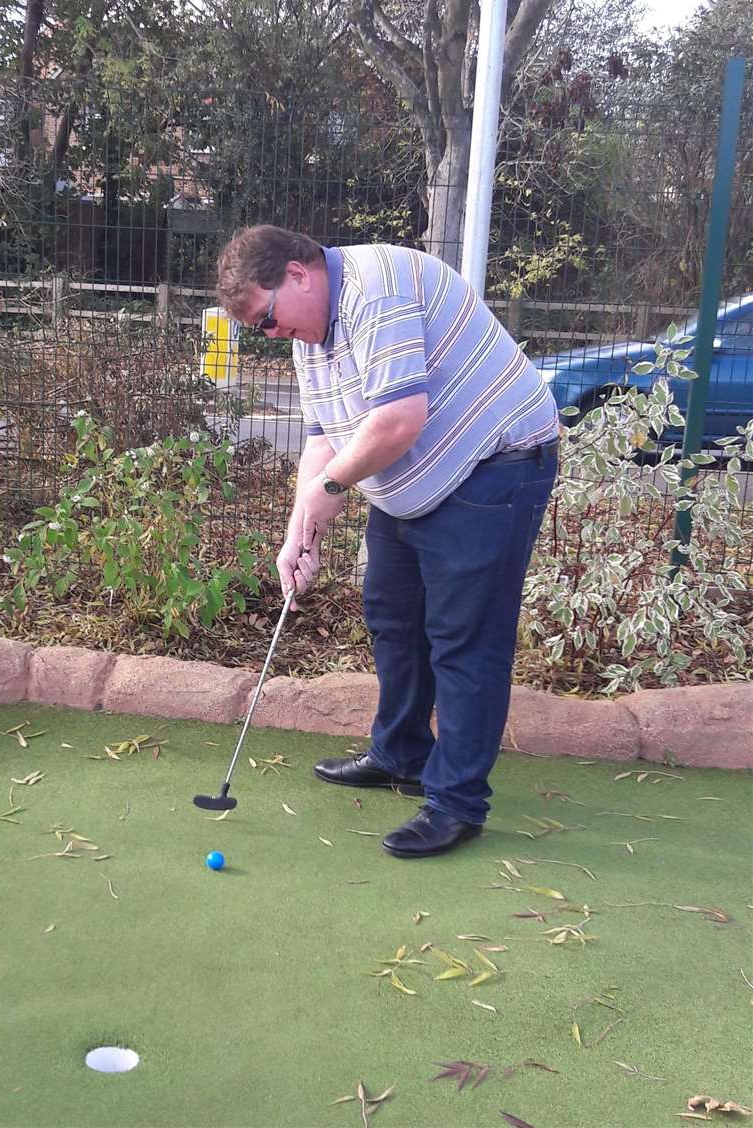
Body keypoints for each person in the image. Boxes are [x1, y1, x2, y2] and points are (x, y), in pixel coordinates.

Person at [216, 226, 559, 858]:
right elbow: (323, 441)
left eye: (267, 318)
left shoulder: (379, 288)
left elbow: (399, 420)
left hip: (494, 465)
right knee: (394, 618)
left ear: (297, 275)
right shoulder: (308, 338)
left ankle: (456, 802)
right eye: (259, 329)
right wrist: (304, 531)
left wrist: (332, 484)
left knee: (464, 639)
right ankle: (402, 754)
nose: (269, 334)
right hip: (412, 482)